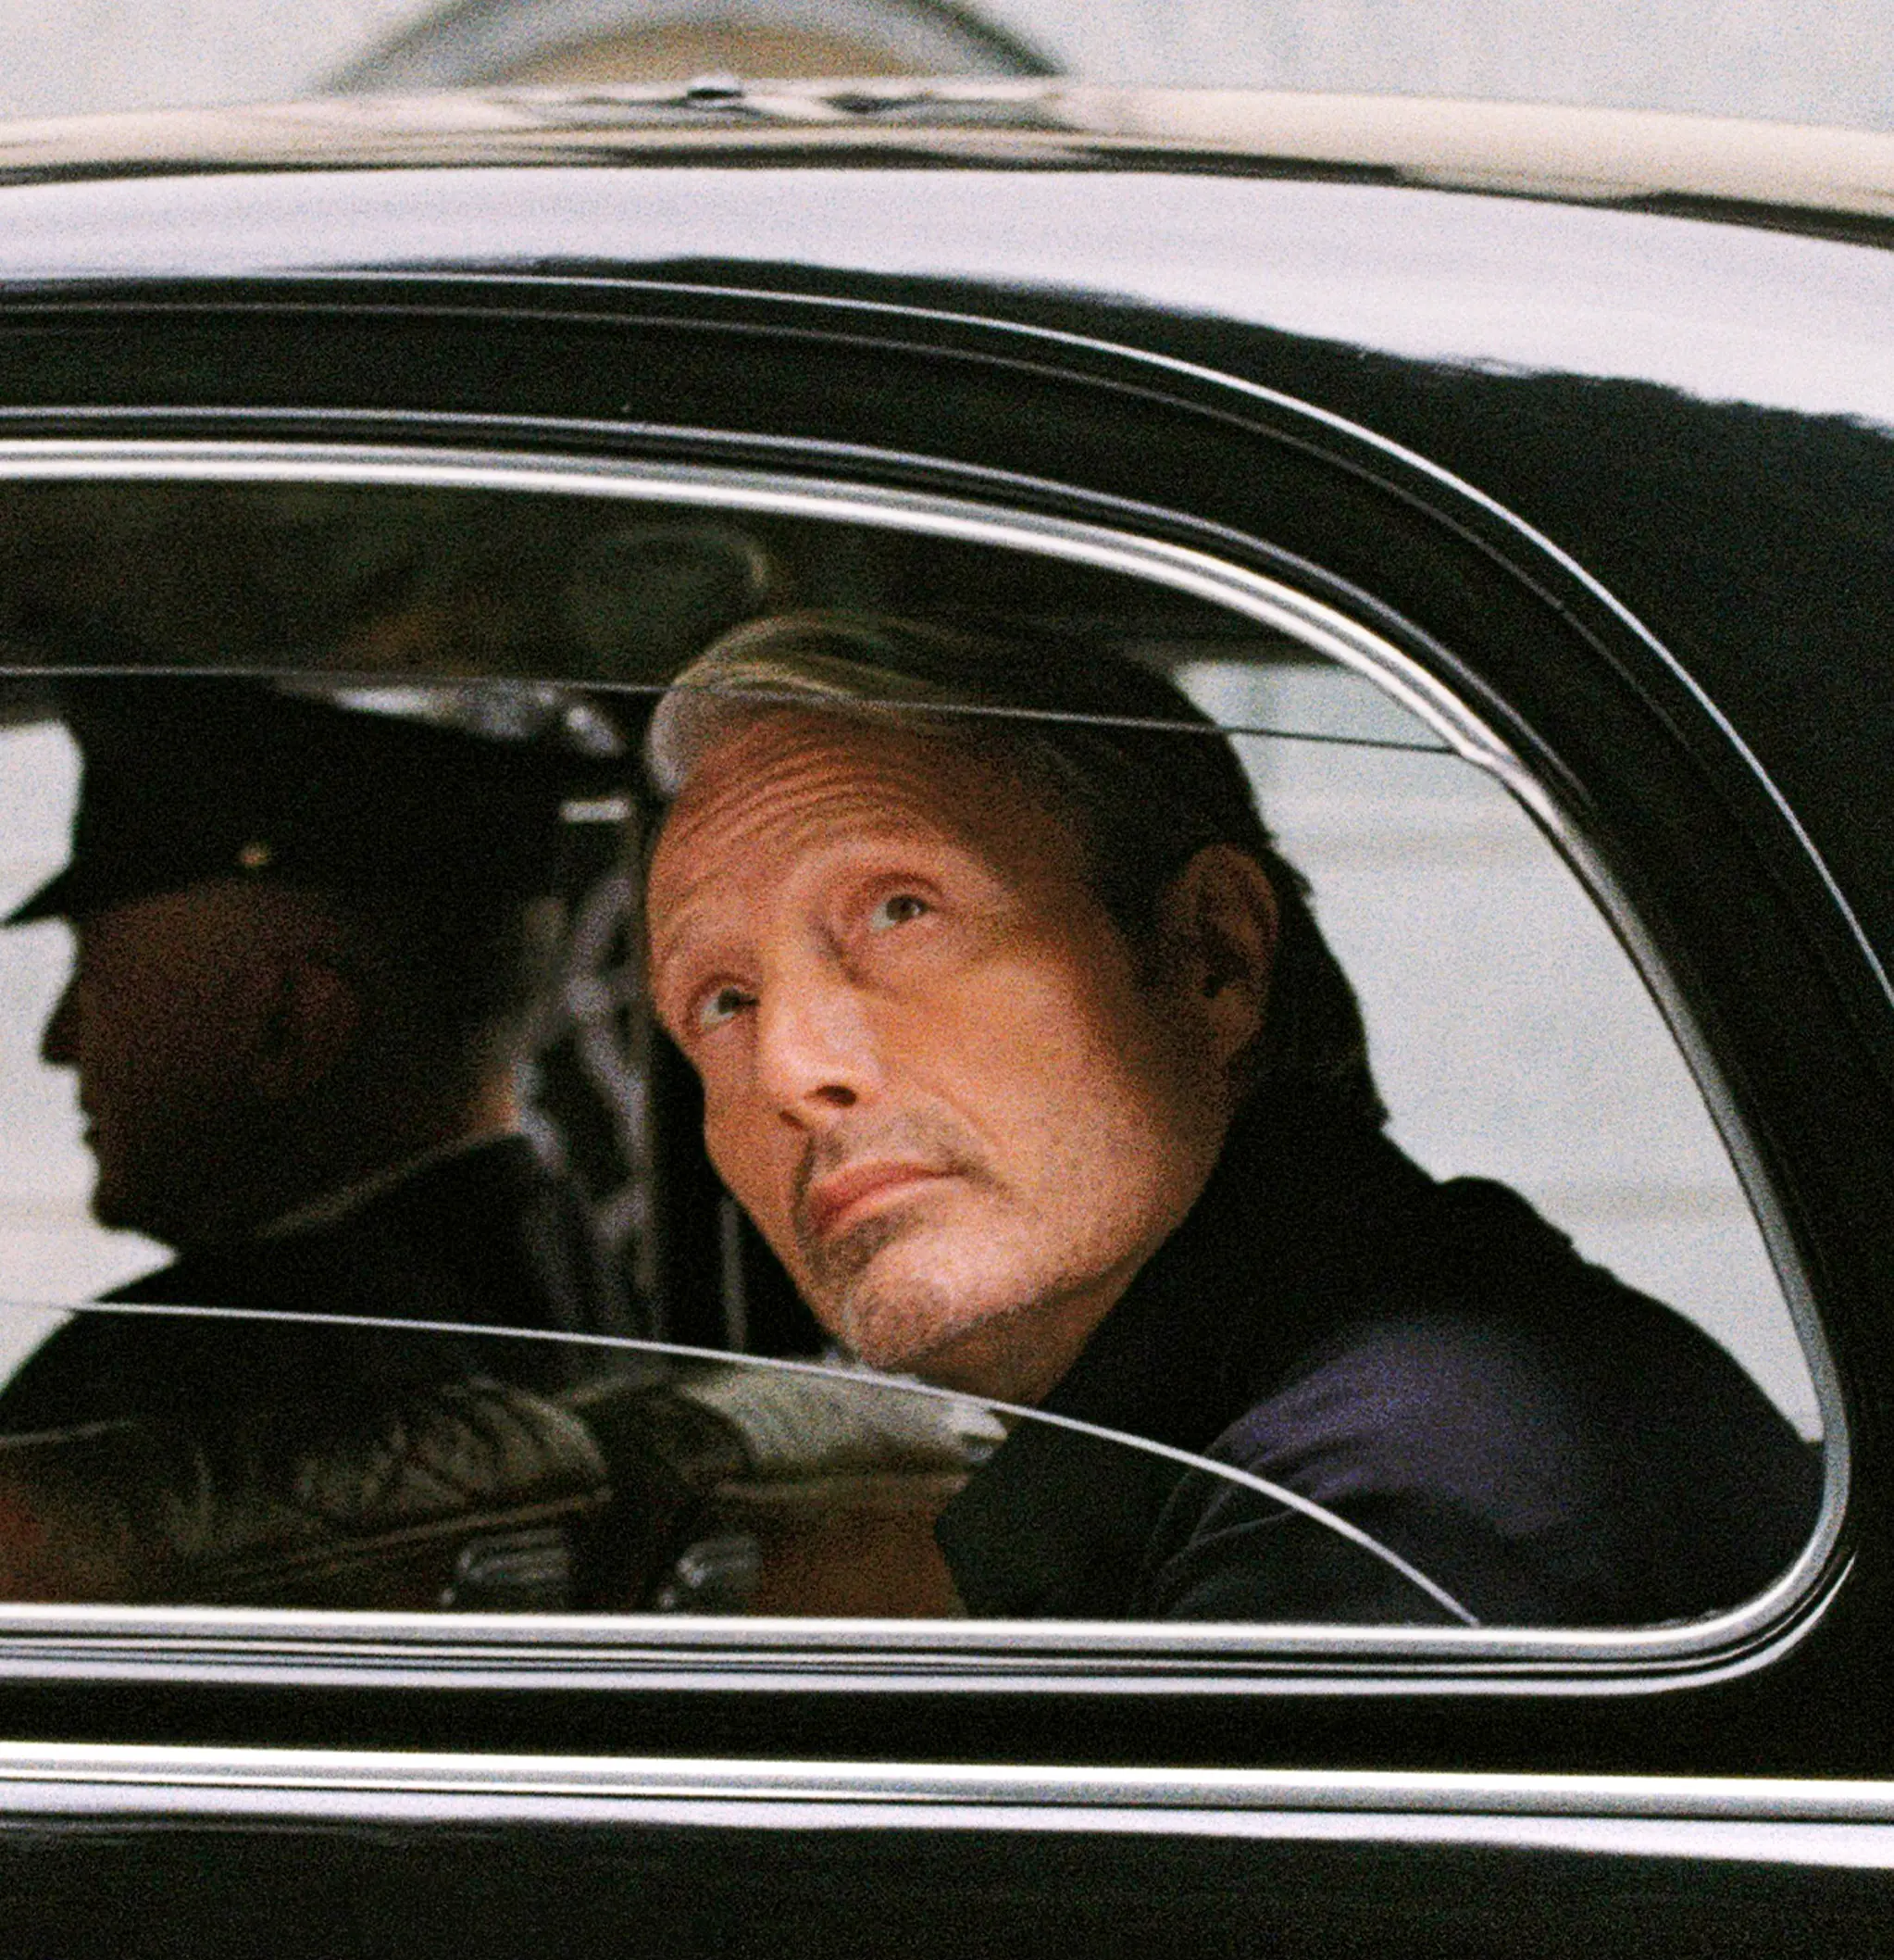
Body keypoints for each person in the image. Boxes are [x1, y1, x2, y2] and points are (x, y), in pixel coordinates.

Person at [639, 611, 1820, 1626]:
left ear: (1212, 958)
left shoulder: (1388, 1499)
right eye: (724, 1002)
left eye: (901, 911)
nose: (792, 1070)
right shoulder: (1334, 1404)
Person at [0, 678, 637, 1604]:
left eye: (93, 982)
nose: (57, 1043)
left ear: (290, 1025)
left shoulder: (168, 1381)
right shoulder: (585, 1285)